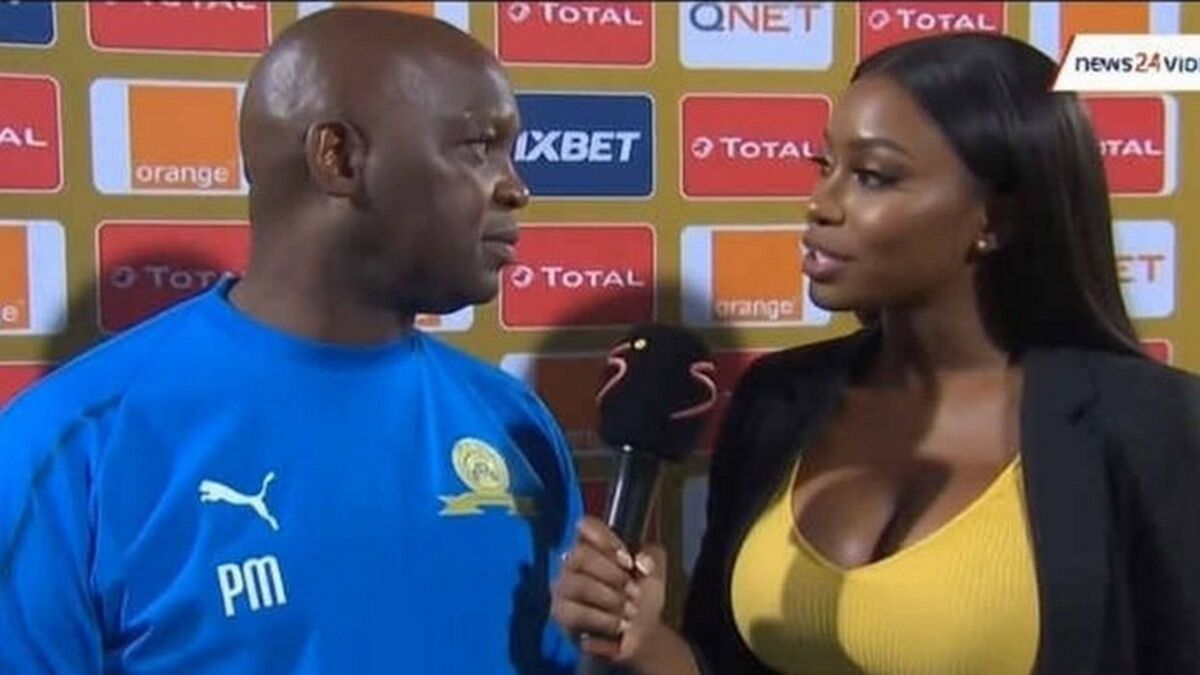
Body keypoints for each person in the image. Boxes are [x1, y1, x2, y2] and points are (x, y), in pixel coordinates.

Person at [551, 32, 1200, 675]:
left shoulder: (1153, 424)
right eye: (824, 165)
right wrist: (646, 645)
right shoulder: (778, 399)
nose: (821, 205)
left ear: (996, 219)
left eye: (873, 176)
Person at [0, 8, 582, 673]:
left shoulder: (513, 422)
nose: (517, 188)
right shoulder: (73, 449)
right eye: (477, 147)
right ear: (339, 157)